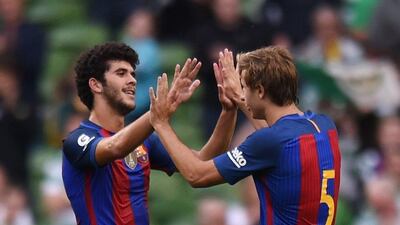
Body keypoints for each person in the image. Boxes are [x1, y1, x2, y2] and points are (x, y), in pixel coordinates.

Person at [149, 46, 342, 225]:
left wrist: (161, 123)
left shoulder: (268, 141)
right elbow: (278, 137)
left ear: (260, 90)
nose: (243, 94)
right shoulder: (325, 126)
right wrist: (239, 99)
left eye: (244, 87)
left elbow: (196, 175)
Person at [62, 42, 238, 225]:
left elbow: (204, 161)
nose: (132, 80)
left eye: (133, 74)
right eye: (121, 73)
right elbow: (116, 147)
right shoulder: (76, 141)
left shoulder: (146, 141)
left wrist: (229, 111)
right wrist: (159, 111)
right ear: (96, 85)